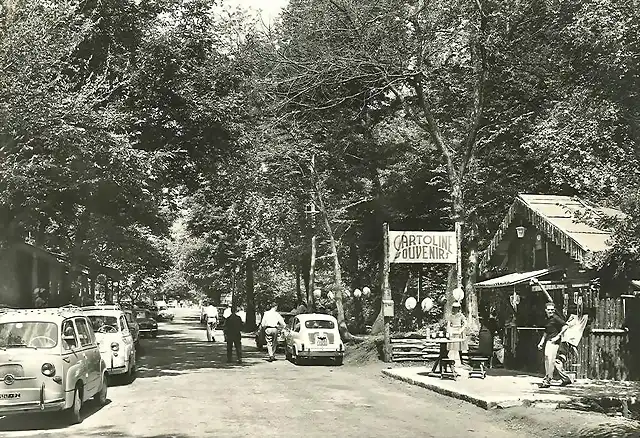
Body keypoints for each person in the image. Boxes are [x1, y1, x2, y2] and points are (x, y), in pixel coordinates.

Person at [538, 301, 570, 388]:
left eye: (552, 310)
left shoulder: (556, 318)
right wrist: (541, 342)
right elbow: (546, 331)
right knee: (549, 359)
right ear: (546, 310)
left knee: (550, 360)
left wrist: (558, 336)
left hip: (554, 342)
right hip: (548, 341)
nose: (550, 311)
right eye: (549, 310)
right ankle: (566, 379)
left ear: (554, 310)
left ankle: (548, 380)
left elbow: (566, 326)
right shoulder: (547, 319)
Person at [447, 301, 467, 366]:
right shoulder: (451, 316)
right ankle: (451, 361)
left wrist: (461, 330)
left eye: (457, 308)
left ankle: (460, 361)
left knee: (459, 347)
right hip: (453, 331)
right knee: (452, 347)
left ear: (459, 308)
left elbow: (465, 323)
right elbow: (448, 324)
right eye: (454, 307)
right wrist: (449, 331)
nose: (455, 309)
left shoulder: (461, 316)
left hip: (459, 331)